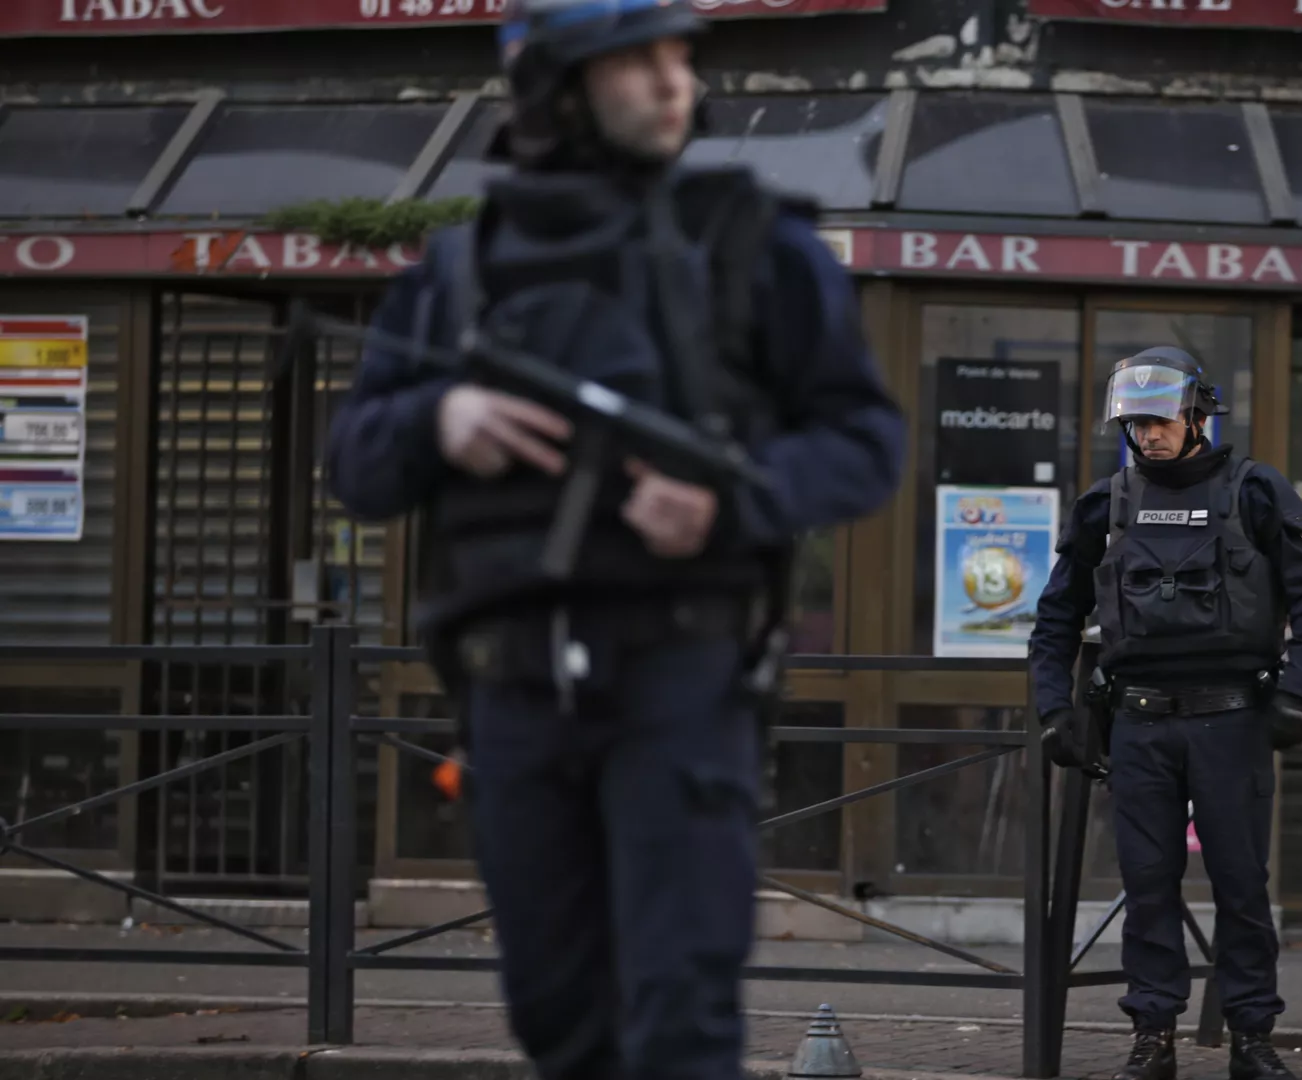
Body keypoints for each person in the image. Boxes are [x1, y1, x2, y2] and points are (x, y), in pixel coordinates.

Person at [322, 1, 906, 1077]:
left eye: (679, 56)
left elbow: (866, 443)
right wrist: (438, 419)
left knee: (679, 1015)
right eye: (637, 61)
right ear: (555, 86)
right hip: (513, 693)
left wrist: (730, 502)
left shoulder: (755, 247)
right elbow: (355, 465)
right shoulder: (461, 269)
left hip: (681, 682)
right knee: (558, 1017)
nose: (676, 81)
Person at [1029, 347, 1302, 1080]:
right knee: (1148, 887)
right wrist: (1054, 711)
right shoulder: (1107, 503)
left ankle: (1252, 1038)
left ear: (1198, 415)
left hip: (1231, 722)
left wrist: (1297, 694)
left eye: (1161, 421)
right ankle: (1153, 1037)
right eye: (1136, 424)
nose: (1148, 435)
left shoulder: (1255, 491)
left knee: (1241, 887)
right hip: (1139, 725)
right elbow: (1055, 617)